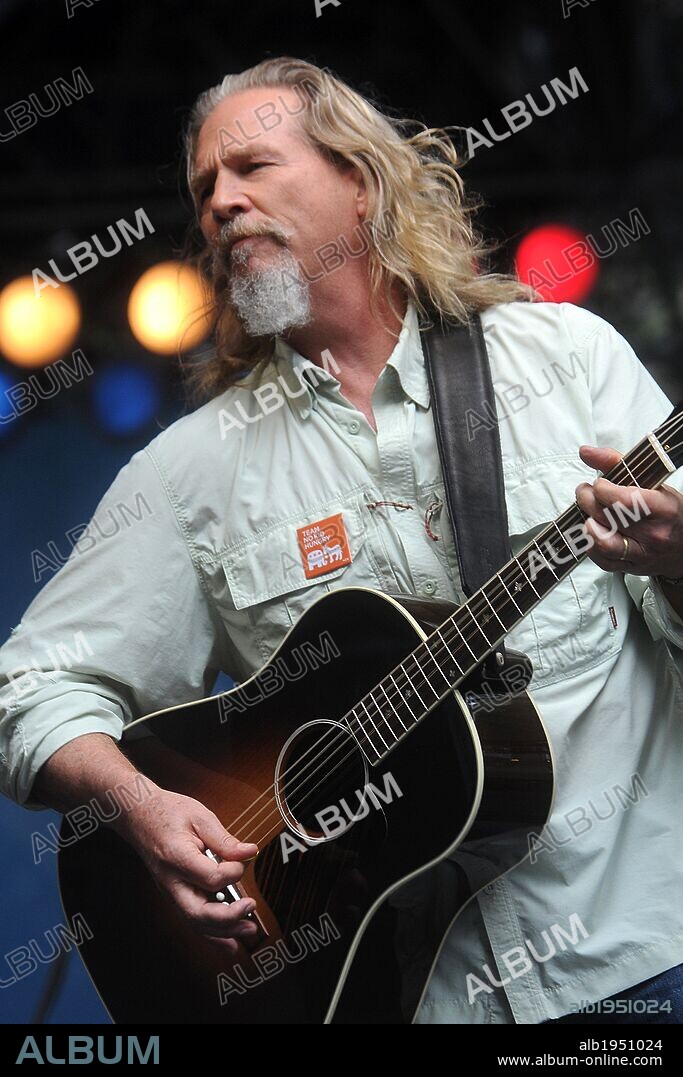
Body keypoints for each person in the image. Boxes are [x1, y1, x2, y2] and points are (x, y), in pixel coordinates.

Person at [1, 57, 682, 1024]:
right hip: (394, 999)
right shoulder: (192, 469)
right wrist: (144, 808)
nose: (222, 204)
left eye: (252, 167)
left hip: (637, 957)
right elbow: (28, 687)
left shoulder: (562, 357)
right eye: (204, 189)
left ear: (360, 180)